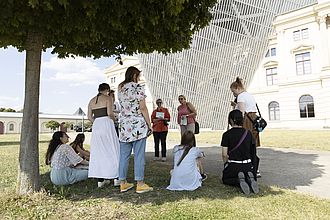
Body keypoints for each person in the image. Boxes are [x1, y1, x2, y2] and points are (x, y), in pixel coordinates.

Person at [117, 66, 153, 193]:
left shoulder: (120, 88)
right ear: (134, 75)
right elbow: (143, 107)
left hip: (124, 126)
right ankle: (140, 184)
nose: (139, 78)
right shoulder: (138, 87)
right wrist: (149, 124)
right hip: (137, 125)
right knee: (139, 156)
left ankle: (123, 183)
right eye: (138, 76)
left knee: (123, 157)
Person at [87, 83, 120, 188]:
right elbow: (110, 113)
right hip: (107, 123)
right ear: (107, 90)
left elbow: (89, 117)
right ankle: (116, 178)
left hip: (97, 124)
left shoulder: (91, 101)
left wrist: (96, 122)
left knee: (99, 150)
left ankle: (101, 180)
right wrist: (114, 119)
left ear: (98, 89)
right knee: (112, 148)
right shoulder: (108, 98)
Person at [221, 110, 259, 195]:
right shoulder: (248, 133)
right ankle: (248, 178)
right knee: (244, 172)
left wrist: (226, 164)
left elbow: (224, 154)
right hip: (247, 165)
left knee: (226, 179)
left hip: (234, 165)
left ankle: (238, 180)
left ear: (230, 120)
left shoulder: (226, 135)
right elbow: (253, 152)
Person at [230, 76, 261, 177]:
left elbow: (241, 113)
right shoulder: (249, 95)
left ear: (238, 88)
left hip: (247, 121)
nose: (233, 94)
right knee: (252, 144)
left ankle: (247, 166)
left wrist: (235, 124)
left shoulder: (241, 96)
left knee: (244, 143)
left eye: (233, 92)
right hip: (254, 120)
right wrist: (236, 104)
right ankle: (255, 168)